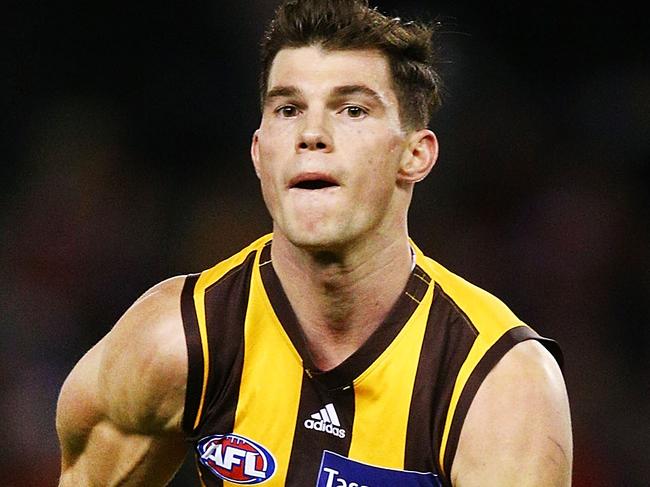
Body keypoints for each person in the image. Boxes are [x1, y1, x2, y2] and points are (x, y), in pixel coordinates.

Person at [56, 0, 573, 485]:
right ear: (260, 152)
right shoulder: (174, 341)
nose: (312, 134)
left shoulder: (499, 387)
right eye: (288, 109)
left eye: (352, 110)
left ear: (415, 155)